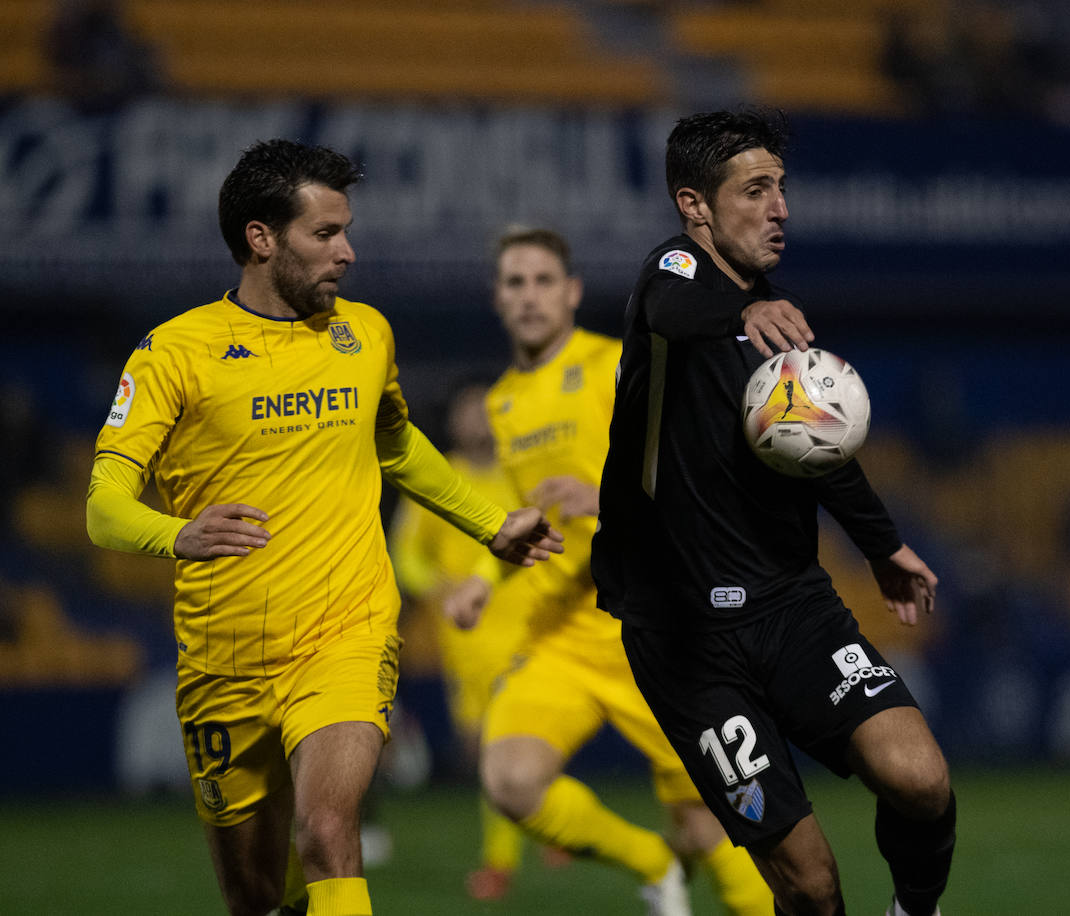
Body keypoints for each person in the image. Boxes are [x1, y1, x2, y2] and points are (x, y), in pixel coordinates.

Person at [85, 139, 562, 916]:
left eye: (346, 231)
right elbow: (103, 503)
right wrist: (178, 534)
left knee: (330, 827)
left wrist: (489, 524)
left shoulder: (365, 334)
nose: (348, 251)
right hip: (223, 660)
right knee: (257, 898)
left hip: (346, 632)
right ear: (261, 239)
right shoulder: (173, 354)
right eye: (325, 234)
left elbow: (396, 444)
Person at [591, 109, 957, 916]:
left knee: (921, 779)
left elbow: (822, 454)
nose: (780, 207)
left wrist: (884, 546)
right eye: (755, 190)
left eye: (781, 189)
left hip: (794, 608)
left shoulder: (777, 324)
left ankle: (914, 910)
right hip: (686, 639)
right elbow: (673, 306)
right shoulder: (675, 277)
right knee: (810, 883)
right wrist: (740, 312)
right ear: (695, 205)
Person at [445, 226, 773, 915]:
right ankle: (651, 864)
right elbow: (531, 517)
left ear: (571, 293)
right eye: (514, 283)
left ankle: (684, 858)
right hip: (562, 637)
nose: (529, 296)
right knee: (509, 779)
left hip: (656, 634)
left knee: (714, 824)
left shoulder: (617, 367)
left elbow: (698, 478)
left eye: (542, 281)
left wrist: (606, 499)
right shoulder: (503, 405)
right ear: (497, 299)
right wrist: (482, 576)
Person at [387, 380, 551, 900]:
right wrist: (438, 587)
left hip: (530, 631)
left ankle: (499, 864)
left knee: (499, 747)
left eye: (485, 410)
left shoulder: (523, 473)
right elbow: (407, 556)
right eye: (468, 412)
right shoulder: (440, 477)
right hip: (464, 639)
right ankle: (551, 820)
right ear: (454, 422)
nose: (478, 421)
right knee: (485, 749)